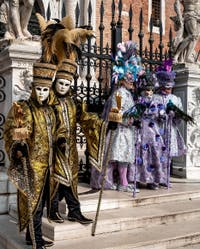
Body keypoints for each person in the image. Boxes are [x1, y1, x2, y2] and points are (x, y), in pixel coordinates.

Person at [3, 62, 65, 249]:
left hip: (49, 165)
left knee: (44, 202)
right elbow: (11, 130)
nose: (41, 93)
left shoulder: (50, 111)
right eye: (38, 89)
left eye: (45, 90)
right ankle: (37, 242)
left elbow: (58, 129)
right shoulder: (22, 108)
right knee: (34, 205)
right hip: (31, 166)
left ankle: (32, 235)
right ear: (32, 89)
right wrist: (17, 145)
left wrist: (61, 139)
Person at [49, 59, 108, 223]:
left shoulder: (74, 103)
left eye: (66, 84)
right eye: (60, 83)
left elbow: (86, 119)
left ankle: (75, 211)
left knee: (71, 180)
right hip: (54, 149)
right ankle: (53, 210)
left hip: (71, 150)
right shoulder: (49, 102)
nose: (62, 87)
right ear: (55, 83)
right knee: (56, 178)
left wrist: (104, 124)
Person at [90, 41, 143, 192]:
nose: (131, 80)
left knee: (124, 156)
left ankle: (124, 182)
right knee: (117, 156)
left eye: (132, 77)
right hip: (119, 130)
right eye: (128, 78)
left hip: (127, 130)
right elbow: (116, 110)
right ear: (122, 79)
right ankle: (119, 182)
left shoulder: (128, 93)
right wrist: (125, 119)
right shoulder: (119, 93)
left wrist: (135, 118)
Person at [152, 59, 187, 186]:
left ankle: (165, 178)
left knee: (168, 155)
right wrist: (158, 115)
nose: (168, 90)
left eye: (170, 88)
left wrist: (174, 115)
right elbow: (150, 113)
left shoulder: (175, 99)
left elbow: (180, 115)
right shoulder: (155, 98)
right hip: (157, 129)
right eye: (166, 87)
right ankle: (156, 178)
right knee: (157, 153)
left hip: (170, 129)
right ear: (162, 86)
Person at [134, 72, 168, 190]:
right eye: (146, 89)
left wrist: (164, 115)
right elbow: (134, 115)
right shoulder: (138, 101)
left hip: (154, 132)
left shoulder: (158, 101)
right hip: (141, 130)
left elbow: (162, 115)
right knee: (139, 153)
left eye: (151, 89)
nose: (148, 92)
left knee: (155, 152)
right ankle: (137, 178)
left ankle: (154, 180)